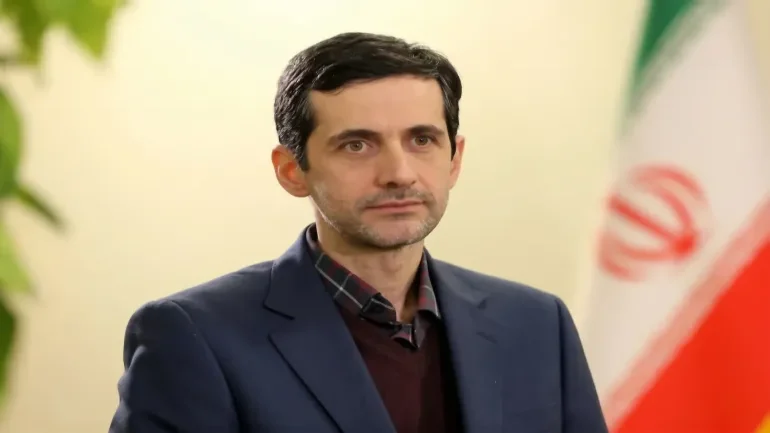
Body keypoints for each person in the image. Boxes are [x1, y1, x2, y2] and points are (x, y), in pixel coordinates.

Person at [109, 32, 608, 433]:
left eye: (421, 140)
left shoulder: (537, 324)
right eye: (357, 145)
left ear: (454, 159)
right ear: (291, 170)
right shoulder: (194, 336)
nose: (399, 173)